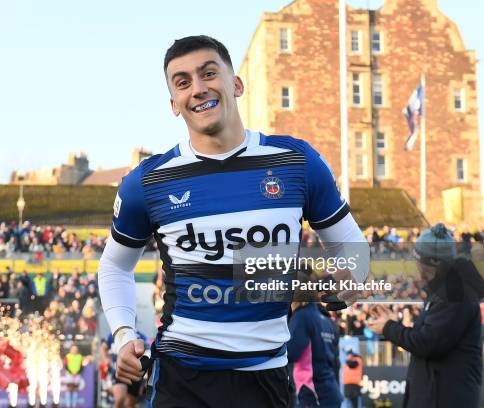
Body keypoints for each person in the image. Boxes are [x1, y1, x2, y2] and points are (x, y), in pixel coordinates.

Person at [98, 35, 368, 407]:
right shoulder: (147, 182)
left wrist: (351, 273)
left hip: (267, 379)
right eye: (183, 82)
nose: (198, 88)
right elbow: (114, 266)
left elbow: (351, 249)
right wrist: (124, 334)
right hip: (182, 380)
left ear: (236, 84)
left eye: (209, 73)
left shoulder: (296, 161)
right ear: (174, 104)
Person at [367, 223, 484, 408]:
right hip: (438, 395)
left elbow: (428, 343)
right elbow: (430, 336)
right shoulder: (445, 292)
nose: (416, 267)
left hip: (445, 398)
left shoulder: (454, 293)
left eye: (418, 260)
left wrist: (389, 327)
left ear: (432, 263)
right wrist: (393, 322)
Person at [287, 273, 343, 408]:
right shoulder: (326, 320)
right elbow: (335, 363)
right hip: (330, 391)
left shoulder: (301, 316)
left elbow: (291, 353)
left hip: (313, 394)